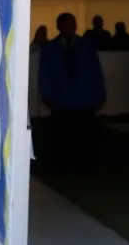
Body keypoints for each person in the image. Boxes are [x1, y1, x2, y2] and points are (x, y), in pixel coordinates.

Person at [37, 12, 107, 174]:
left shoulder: (86, 46)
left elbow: (96, 71)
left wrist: (100, 94)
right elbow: (44, 74)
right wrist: (46, 96)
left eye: (72, 24)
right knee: (63, 139)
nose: (70, 28)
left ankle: (86, 169)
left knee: (86, 139)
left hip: (85, 99)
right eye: (66, 24)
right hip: (61, 100)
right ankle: (63, 169)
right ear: (59, 27)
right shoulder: (50, 48)